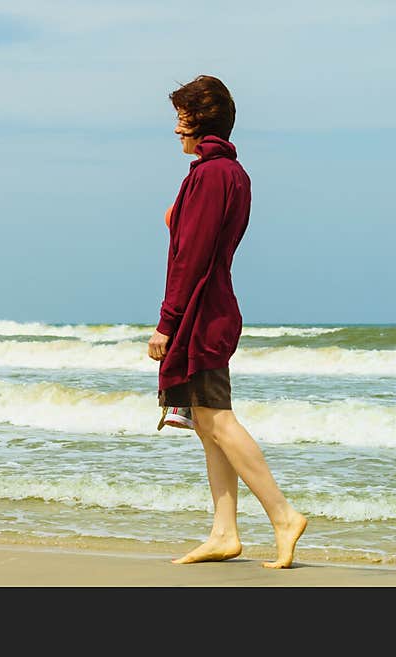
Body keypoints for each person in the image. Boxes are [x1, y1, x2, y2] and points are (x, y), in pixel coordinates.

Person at [148, 75, 307, 568]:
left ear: (204, 121)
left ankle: (283, 516)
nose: (177, 130)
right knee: (205, 423)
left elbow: (192, 258)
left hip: (203, 313)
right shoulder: (223, 173)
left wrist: (166, 322)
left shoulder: (213, 175)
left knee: (217, 418)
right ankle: (224, 532)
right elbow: (196, 236)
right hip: (212, 308)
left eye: (183, 119)